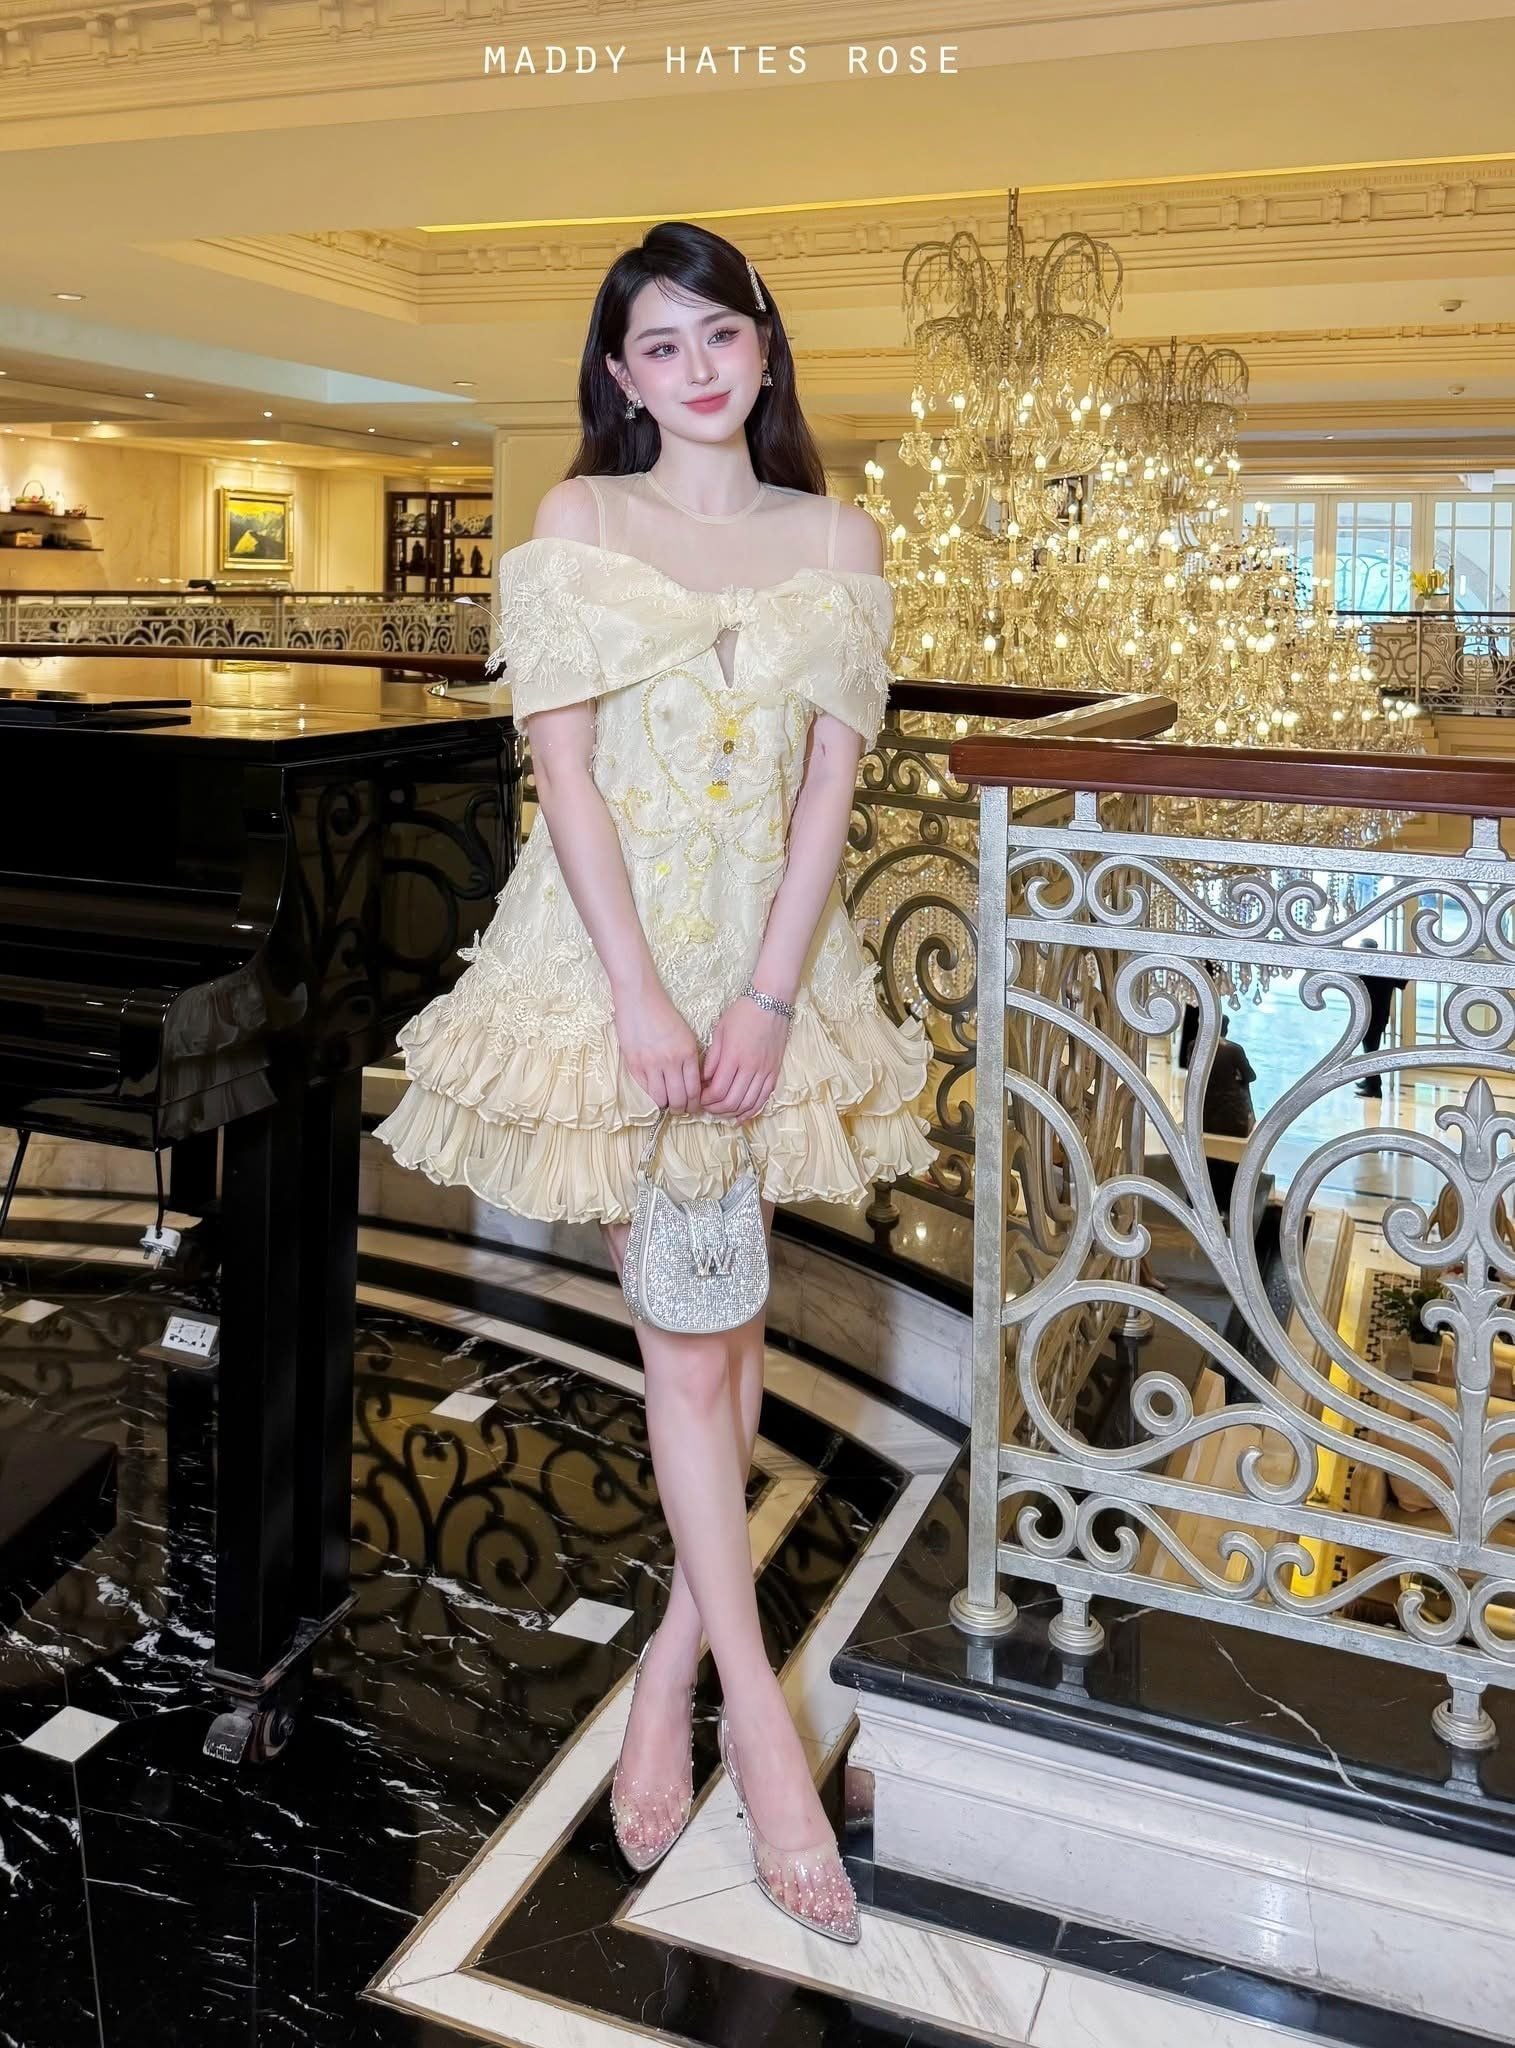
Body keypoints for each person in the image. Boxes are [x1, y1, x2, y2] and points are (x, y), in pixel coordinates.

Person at [373, 222, 935, 1946]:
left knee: (727, 1330)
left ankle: (668, 1671)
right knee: (692, 1340)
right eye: (659, 344)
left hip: (772, 981)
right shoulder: (580, 521)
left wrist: (766, 995)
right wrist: (638, 998)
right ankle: (758, 1725)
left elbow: (829, 792)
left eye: (719, 334)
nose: (695, 368)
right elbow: (566, 778)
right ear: (619, 375)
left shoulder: (835, 536)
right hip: (609, 982)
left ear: (764, 347)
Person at [1201, 1017, 1256, 1215]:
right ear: (1225, 1028)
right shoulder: (1234, 1050)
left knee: (1210, 1162)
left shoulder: (1196, 1047)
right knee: (1231, 1163)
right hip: (1232, 1117)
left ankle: (1210, 1200)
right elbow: (1250, 1076)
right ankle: (1229, 1202)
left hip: (1206, 1115)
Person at [1353, 938, 1407, 1098]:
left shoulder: (1365, 969)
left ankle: (1374, 1088)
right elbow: (1402, 983)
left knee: (1370, 1052)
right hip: (1380, 1016)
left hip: (1370, 1017)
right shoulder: (1385, 967)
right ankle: (1370, 1081)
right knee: (1370, 1050)